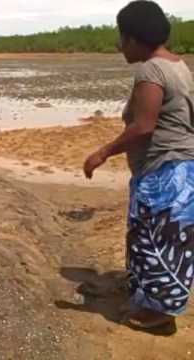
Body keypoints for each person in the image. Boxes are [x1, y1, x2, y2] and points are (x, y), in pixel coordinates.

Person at [84, 1, 194, 333]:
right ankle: (152, 301)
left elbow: (144, 126)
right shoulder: (179, 66)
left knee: (157, 241)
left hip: (164, 170)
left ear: (135, 38)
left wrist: (103, 152)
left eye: (122, 36)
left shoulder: (150, 70)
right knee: (166, 238)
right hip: (180, 169)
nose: (119, 45)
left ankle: (160, 315)